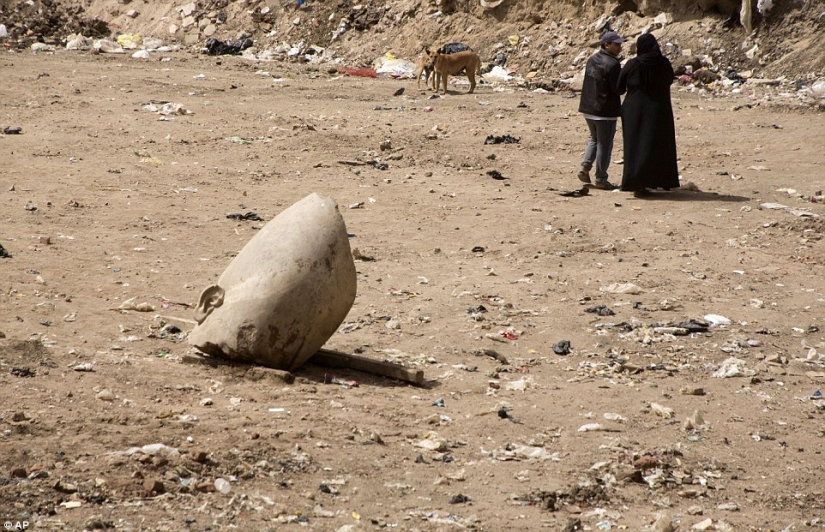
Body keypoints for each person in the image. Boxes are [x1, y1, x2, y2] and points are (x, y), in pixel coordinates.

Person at [617, 33, 680, 197]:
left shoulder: (633, 65)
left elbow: (619, 87)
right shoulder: (664, 64)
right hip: (660, 110)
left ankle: (638, 184)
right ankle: (660, 180)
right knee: (658, 145)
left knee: (636, 146)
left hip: (634, 112)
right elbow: (669, 80)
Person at [577, 31, 625, 190]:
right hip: (605, 111)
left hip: (588, 108)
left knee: (594, 139)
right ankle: (601, 178)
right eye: (616, 44)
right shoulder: (612, 64)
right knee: (605, 145)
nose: (620, 47)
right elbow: (618, 89)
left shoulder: (592, 59)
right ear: (606, 45)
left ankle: (585, 169)